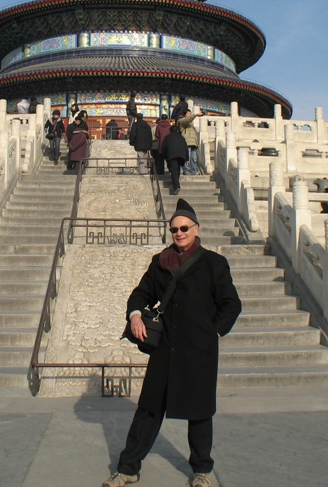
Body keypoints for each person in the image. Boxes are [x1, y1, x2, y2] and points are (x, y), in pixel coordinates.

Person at [103, 199, 242, 487]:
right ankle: (128, 468)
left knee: (200, 413)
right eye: (174, 229)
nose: (179, 233)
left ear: (195, 229)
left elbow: (231, 304)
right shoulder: (161, 262)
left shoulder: (214, 263)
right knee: (148, 409)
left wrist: (210, 332)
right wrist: (135, 316)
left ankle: (202, 471)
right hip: (166, 349)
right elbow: (140, 294)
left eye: (184, 228)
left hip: (198, 351)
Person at [162, 124, 188, 194]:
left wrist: (164, 156)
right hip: (181, 156)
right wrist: (187, 158)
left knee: (173, 170)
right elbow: (186, 147)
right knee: (177, 169)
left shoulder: (167, 137)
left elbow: (164, 148)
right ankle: (176, 182)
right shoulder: (181, 137)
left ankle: (176, 186)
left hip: (172, 156)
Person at [178, 108, 202, 175]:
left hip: (193, 143)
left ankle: (193, 170)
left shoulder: (191, 124)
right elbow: (187, 119)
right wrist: (195, 114)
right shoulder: (181, 121)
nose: (190, 114)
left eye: (190, 113)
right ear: (184, 114)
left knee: (193, 158)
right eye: (188, 113)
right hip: (187, 142)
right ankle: (186, 170)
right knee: (187, 157)